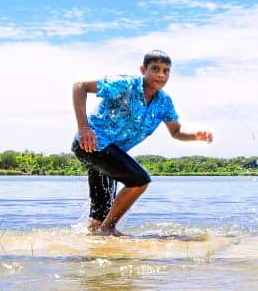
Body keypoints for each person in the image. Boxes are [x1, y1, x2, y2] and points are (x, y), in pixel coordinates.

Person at [72, 50, 212, 235]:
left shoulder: (164, 102)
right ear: (143, 69)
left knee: (98, 220)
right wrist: (83, 128)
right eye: (155, 69)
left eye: (166, 70)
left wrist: (196, 135)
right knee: (139, 180)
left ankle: (92, 249)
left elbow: (176, 132)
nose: (161, 75)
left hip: (110, 155)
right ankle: (109, 228)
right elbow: (80, 86)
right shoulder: (125, 85)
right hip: (92, 145)